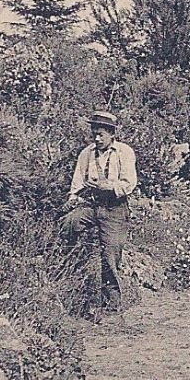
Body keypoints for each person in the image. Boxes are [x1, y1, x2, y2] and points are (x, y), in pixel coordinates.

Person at [61, 110, 138, 314]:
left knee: (110, 256)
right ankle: (74, 276)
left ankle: (112, 305)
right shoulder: (86, 153)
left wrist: (108, 186)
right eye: (94, 133)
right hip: (91, 206)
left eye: (101, 134)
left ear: (112, 134)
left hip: (115, 208)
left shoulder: (124, 152)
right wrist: (73, 200)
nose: (97, 138)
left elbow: (129, 184)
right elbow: (77, 183)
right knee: (69, 223)